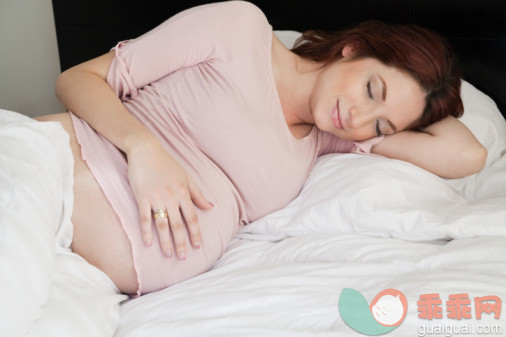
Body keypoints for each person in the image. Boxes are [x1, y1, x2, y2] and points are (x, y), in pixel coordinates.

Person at [35, 1, 486, 297]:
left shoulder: (333, 138)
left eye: (382, 123)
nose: (360, 119)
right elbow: (76, 78)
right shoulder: (241, 30)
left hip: (80, 275)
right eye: (372, 89)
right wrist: (144, 150)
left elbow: (468, 156)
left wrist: (430, 94)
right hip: (56, 176)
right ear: (353, 48)